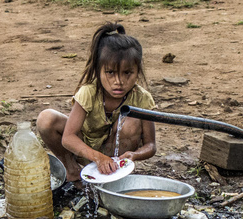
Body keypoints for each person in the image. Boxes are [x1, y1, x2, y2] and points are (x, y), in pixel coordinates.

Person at [37, 22, 157, 183]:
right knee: (46, 118)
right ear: (98, 70)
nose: (119, 81)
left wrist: (134, 155)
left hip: (114, 159)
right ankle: (72, 172)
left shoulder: (142, 99)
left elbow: (151, 145)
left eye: (127, 73)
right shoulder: (89, 92)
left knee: (132, 121)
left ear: (138, 72)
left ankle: (111, 178)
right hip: (84, 151)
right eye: (110, 72)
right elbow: (68, 138)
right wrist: (98, 157)